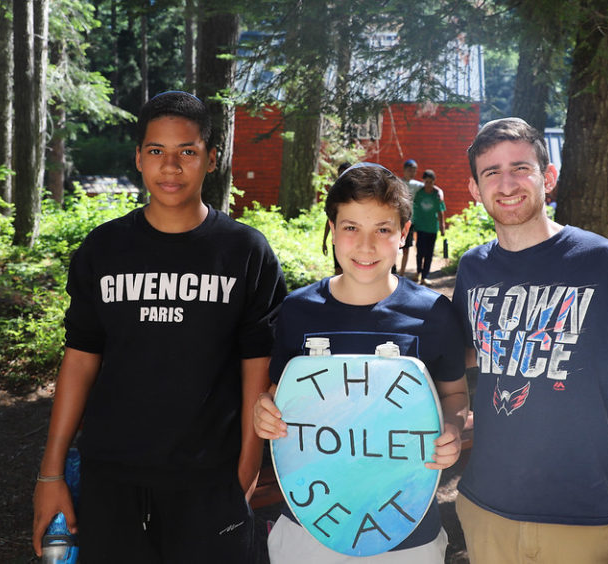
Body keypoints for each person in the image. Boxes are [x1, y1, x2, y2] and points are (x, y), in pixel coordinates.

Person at [32, 91, 287, 563]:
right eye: (156, 152)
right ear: (138, 158)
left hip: (210, 478)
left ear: (212, 159)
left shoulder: (245, 252)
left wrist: (246, 472)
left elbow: (259, 368)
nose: (170, 167)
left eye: (187, 152)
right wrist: (51, 475)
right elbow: (80, 360)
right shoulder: (103, 250)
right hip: (111, 477)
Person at [452, 118, 608, 564]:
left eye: (521, 168)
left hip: (581, 519)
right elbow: (453, 368)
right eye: (491, 172)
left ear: (547, 178)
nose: (507, 183)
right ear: (474, 189)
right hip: (483, 511)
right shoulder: (472, 269)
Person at [254, 163, 469, 563]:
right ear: (332, 230)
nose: (366, 246)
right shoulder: (299, 310)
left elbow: (454, 393)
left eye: (383, 229)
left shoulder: (433, 314)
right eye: (351, 227)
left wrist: (453, 428)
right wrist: (264, 410)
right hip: (309, 526)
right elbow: (278, 392)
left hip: (407, 534)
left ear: (404, 233)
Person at [412, 170, 446, 286]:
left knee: (429, 253)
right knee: (420, 252)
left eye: (431, 182)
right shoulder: (419, 193)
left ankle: (425, 276)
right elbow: (413, 207)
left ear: (434, 182)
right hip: (420, 227)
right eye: (426, 182)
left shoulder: (436, 195)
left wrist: (442, 226)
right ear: (423, 181)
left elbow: (441, 211)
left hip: (432, 228)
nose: (428, 184)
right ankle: (418, 272)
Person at [322, 161, 351, 275]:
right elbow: (329, 218)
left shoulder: (359, 192)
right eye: (341, 173)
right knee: (338, 270)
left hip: (352, 235)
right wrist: (324, 240)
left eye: (346, 173)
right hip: (338, 236)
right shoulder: (334, 193)